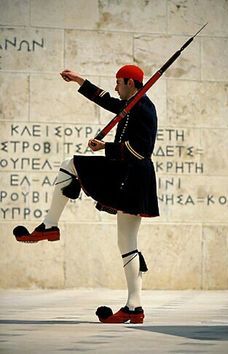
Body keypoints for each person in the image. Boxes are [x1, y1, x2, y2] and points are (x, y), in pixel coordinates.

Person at [13, 64, 160, 324]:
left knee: (72, 165)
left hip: (132, 177)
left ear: (130, 82)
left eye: (118, 82)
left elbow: (142, 151)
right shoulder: (131, 104)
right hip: (127, 175)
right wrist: (79, 81)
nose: (115, 87)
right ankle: (134, 309)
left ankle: (49, 226)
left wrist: (107, 147)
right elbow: (106, 99)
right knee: (126, 243)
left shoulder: (144, 108)